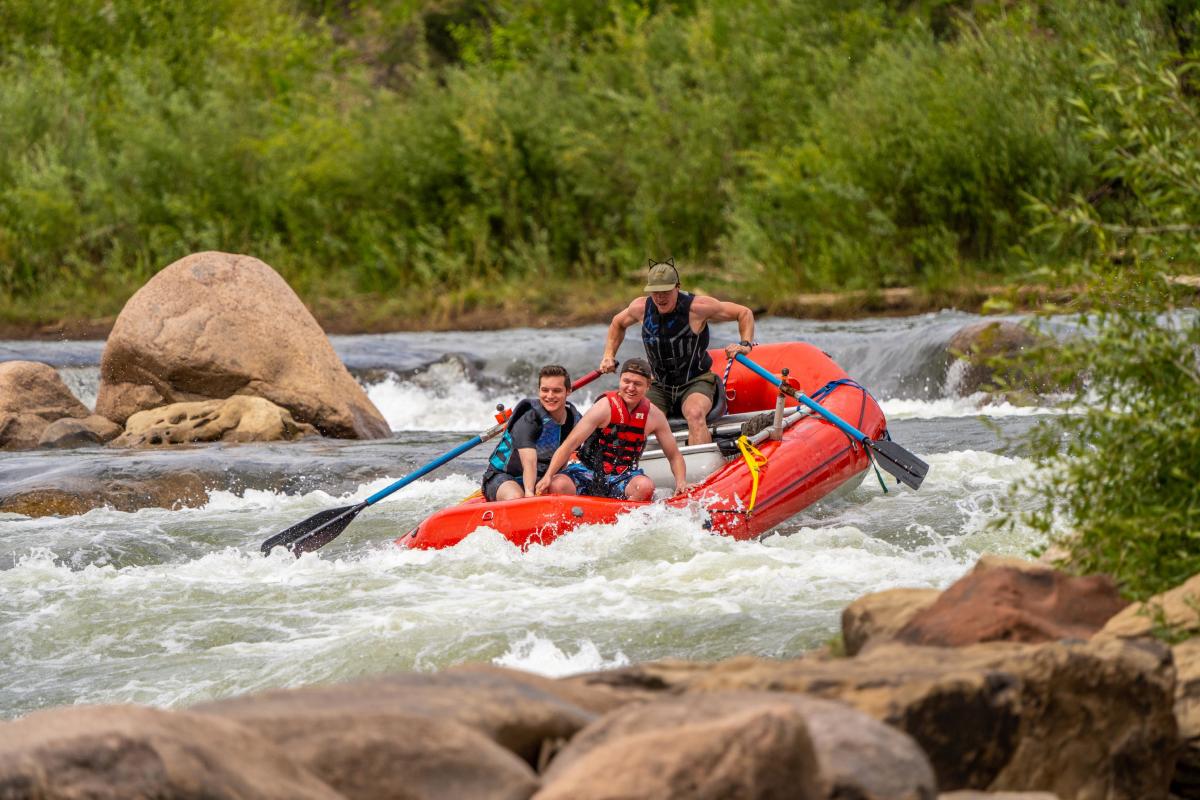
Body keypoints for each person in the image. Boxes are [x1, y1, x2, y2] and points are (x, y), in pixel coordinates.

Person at [599, 258, 757, 446]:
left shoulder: (698, 307)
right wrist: (608, 355)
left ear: (677, 287)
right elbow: (617, 323)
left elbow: (743, 313)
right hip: (659, 385)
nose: (660, 298)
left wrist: (745, 344)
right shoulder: (640, 308)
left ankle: (700, 463)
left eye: (666, 292)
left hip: (696, 381)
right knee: (635, 418)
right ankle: (631, 461)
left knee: (695, 413)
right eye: (655, 292)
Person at [535, 358, 687, 501]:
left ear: (648, 386)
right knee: (558, 485)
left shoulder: (655, 416)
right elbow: (569, 445)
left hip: (624, 476)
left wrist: (681, 482)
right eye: (626, 381)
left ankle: (626, 516)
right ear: (620, 381)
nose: (631, 388)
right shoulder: (603, 407)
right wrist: (548, 476)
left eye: (637, 384)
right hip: (586, 471)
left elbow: (674, 455)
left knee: (645, 487)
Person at [481, 365, 581, 502]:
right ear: (539, 390)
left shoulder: (575, 419)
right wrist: (530, 494)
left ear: (568, 391)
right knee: (516, 497)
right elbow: (529, 462)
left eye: (556, 391)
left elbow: (568, 453)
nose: (550, 396)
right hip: (504, 476)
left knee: (561, 485)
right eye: (545, 390)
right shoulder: (528, 418)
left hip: (544, 476)